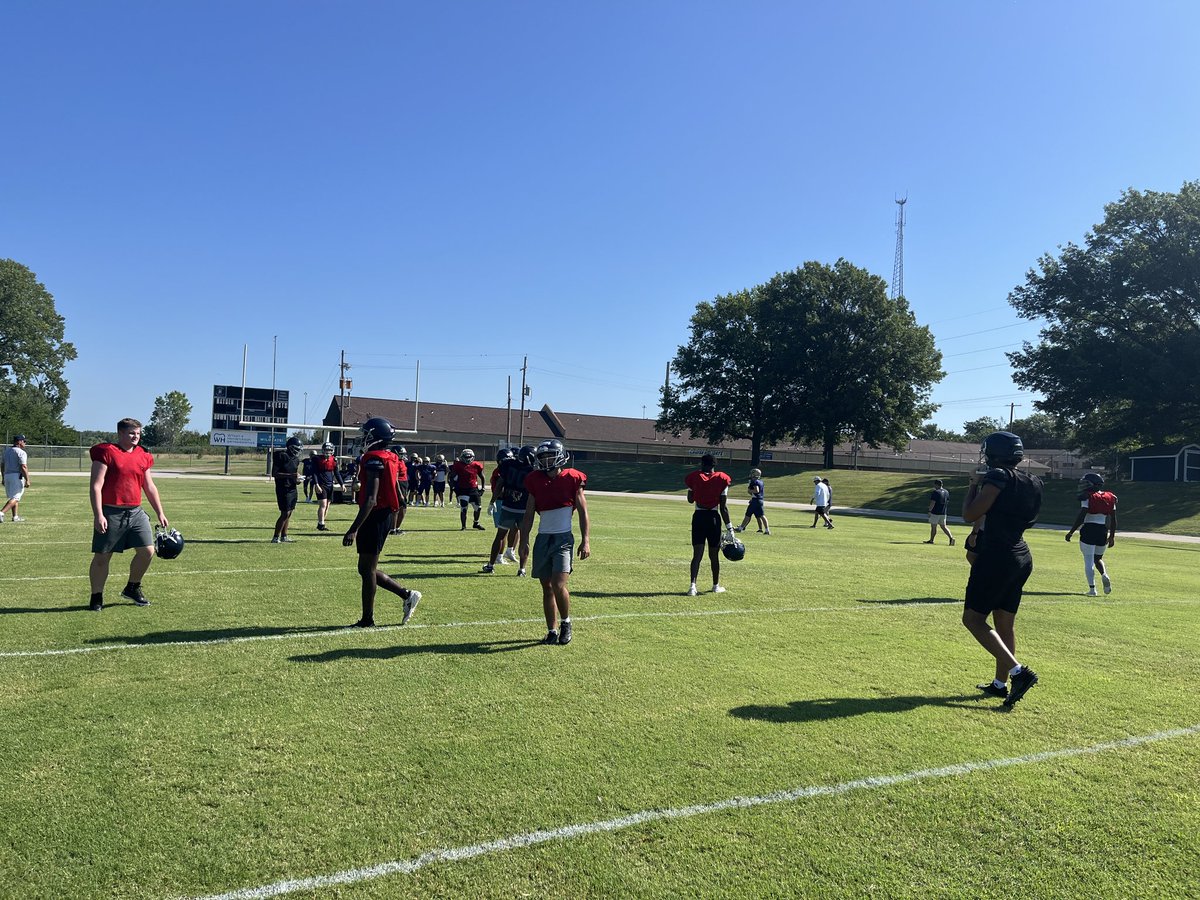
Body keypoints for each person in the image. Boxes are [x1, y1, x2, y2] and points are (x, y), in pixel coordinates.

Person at [961, 431, 1042, 708]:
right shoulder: (1033, 481)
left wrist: (973, 484)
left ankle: (1018, 673)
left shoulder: (998, 477)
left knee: (973, 620)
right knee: (1004, 624)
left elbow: (970, 514)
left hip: (997, 555)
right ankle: (999, 684)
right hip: (1021, 555)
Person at [342, 417, 421, 628]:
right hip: (383, 514)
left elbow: (371, 499)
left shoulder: (374, 459)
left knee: (367, 569)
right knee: (365, 568)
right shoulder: (390, 456)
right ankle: (406, 595)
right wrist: (399, 501)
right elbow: (395, 486)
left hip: (375, 515)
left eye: (366, 434)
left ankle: (368, 619)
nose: (363, 438)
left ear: (375, 437)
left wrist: (353, 529)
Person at [87, 418, 169, 611]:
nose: (136, 436)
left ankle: (132, 587)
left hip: (135, 512)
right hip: (111, 511)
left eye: (138, 433)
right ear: (120, 433)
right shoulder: (106, 452)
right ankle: (96, 596)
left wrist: (160, 512)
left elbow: (149, 486)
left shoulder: (143, 454)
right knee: (102, 557)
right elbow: (96, 486)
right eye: (132, 433)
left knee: (147, 551)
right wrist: (99, 514)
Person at [519, 439, 590, 645]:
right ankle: (551, 630)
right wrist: (524, 540)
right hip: (543, 537)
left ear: (560, 456)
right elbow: (528, 514)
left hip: (563, 538)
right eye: (543, 457)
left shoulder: (572, 478)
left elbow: (583, 512)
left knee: (559, 584)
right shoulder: (534, 479)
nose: (546, 460)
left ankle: (566, 623)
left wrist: (586, 540)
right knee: (546, 586)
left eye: (550, 456)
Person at [685, 453, 734, 596]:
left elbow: (690, 500)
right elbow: (723, 508)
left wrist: (697, 490)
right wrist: (730, 528)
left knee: (697, 555)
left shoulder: (694, 477)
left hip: (699, 517)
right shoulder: (722, 478)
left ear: (702, 463)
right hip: (713, 518)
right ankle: (715, 585)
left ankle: (692, 586)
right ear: (714, 464)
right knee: (714, 555)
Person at [1065, 472, 1118, 596]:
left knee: (1088, 560)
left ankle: (1092, 589)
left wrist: (1071, 532)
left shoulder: (1087, 496)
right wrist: (1112, 536)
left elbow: (1081, 516)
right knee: (1098, 558)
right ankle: (1104, 574)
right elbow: (1113, 519)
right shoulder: (1110, 497)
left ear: (1092, 484)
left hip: (1089, 529)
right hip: (1103, 530)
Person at [484, 446, 534, 574]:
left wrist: (492, 501)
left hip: (508, 507)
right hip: (524, 509)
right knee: (524, 538)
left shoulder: (508, 465)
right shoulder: (532, 470)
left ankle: (490, 565)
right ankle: (522, 569)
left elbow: (500, 484)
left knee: (500, 535)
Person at [270, 436, 304, 543]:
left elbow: (294, 475)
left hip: (292, 488)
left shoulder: (296, 460)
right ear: (290, 447)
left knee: (289, 513)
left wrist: (297, 479)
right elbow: (275, 473)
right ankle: (275, 537)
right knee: (285, 513)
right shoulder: (281, 456)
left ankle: (284, 536)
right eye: (296, 449)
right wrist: (291, 475)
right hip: (283, 488)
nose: (298, 451)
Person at [451, 448, 486, 530]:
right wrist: (453, 487)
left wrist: (483, 488)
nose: (467, 458)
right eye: (466, 457)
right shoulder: (458, 465)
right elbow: (452, 477)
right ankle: (463, 526)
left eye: (469, 457)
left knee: (478, 507)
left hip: (473, 489)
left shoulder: (476, 465)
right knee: (464, 508)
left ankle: (476, 523)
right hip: (462, 489)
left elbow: (482, 476)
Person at [313, 442, 343, 531]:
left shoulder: (333, 460)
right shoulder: (317, 459)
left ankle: (321, 523)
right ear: (323, 450)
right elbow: (314, 473)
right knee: (323, 504)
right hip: (321, 484)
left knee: (327, 505)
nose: (328, 452)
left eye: (329, 450)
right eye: (326, 450)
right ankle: (321, 523)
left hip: (330, 484)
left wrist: (342, 484)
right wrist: (316, 484)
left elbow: (337, 473)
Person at [1, 434, 30, 523]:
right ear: (19, 441)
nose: (25, 443)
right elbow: (23, 466)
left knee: (13, 497)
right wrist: (27, 479)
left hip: (7, 475)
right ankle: (1, 513)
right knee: (16, 497)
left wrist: (3, 477)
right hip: (16, 476)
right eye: (24, 441)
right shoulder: (21, 452)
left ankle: (15, 517)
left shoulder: (6, 451)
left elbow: (2, 465)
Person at [733, 468, 770, 535]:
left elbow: (756, 490)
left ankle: (741, 528)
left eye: (753, 473)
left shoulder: (754, 481)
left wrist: (750, 491)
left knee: (748, 514)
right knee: (762, 515)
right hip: (760, 500)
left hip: (755, 501)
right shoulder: (761, 482)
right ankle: (767, 530)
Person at [924, 479, 955, 545]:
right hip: (943, 512)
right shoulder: (946, 492)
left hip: (935, 512)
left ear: (935, 484)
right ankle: (951, 538)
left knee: (933, 526)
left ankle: (931, 540)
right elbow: (947, 501)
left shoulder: (936, 492)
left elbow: (933, 502)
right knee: (944, 526)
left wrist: (929, 511)